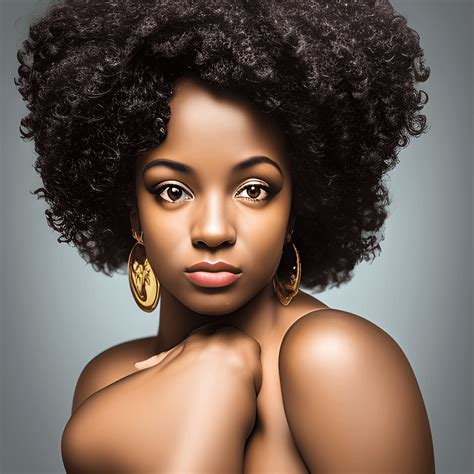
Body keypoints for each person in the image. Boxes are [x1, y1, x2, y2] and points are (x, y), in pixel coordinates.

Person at [15, 0, 435, 471]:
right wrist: (212, 380)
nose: (213, 230)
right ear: (134, 213)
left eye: (254, 189)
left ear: (294, 208)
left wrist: (221, 377)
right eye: (172, 191)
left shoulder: (335, 360)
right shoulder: (105, 380)